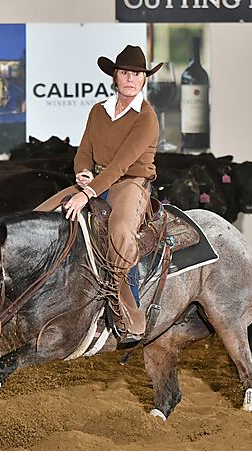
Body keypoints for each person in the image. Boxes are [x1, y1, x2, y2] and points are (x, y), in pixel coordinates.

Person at [35, 45, 161, 342]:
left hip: (130, 182)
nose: (131, 79)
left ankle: (126, 311)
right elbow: (84, 151)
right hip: (99, 180)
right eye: (125, 72)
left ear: (144, 79)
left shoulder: (146, 117)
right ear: (115, 76)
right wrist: (83, 172)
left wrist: (87, 192)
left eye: (137, 74)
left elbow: (121, 165)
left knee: (120, 231)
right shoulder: (98, 111)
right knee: (42, 213)